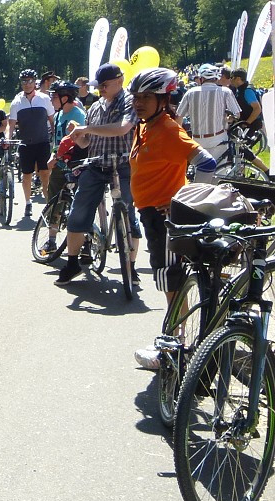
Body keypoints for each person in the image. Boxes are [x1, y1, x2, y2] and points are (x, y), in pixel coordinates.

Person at [124, 68, 217, 369]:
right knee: (170, 282)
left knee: (172, 283)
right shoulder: (144, 125)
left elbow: (207, 162)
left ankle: (173, 350)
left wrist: (187, 203)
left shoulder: (167, 129)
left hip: (165, 216)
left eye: (147, 97)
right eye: (137, 97)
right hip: (151, 214)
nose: (139, 102)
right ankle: (178, 344)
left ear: (163, 99)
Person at [55, 62, 141, 286]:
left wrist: (87, 129)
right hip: (96, 164)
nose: (100, 89)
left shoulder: (130, 101)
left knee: (129, 212)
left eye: (104, 85)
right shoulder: (94, 107)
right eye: (98, 85)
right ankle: (72, 262)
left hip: (123, 165)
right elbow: (86, 143)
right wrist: (76, 134)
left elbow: (123, 128)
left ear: (120, 81)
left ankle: (130, 265)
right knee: (78, 212)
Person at [37, 82, 87, 256]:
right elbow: (57, 140)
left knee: (81, 205)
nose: (51, 99)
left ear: (65, 98)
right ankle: (51, 239)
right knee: (54, 200)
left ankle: (86, 240)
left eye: (55, 96)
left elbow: (76, 141)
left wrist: (58, 156)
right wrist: (53, 154)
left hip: (75, 165)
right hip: (59, 165)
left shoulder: (78, 115)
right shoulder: (58, 115)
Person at [7, 68, 55, 217]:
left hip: (43, 142)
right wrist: (8, 138)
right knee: (26, 175)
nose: (27, 84)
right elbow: (11, 124)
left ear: (35, 82)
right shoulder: (16, 102)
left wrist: (56, 135)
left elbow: (52, 120)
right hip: (26, 144)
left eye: (30, 81)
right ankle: (28, 202)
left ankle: (48, 204)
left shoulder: (44, 99)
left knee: (45, 174)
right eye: (24, 81)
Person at [175, 63, 241, 161]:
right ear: (216, 78)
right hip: (219, 138)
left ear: (201, 79)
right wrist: (227, 119)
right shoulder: (225, 92)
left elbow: (179, 116)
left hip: (198, 140)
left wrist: (180, 138)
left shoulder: (190, 93)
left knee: (200, 172)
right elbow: (237, 114)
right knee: (220, 171)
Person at [228, 68, 270, 174]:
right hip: (246, 124)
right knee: (241, 152)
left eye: (231, 78)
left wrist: (246, 123)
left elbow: (257, 108)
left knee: (243, 150)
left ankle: (267, 172)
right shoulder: (241, 90)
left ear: (238, 79)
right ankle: (241, 173)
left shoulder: (247, 91)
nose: (230, 80)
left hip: (251, 125)